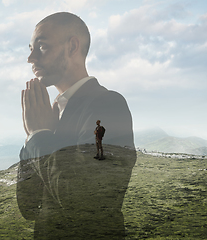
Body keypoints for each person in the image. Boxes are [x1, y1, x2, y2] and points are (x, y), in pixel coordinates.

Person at [16, 12, 136, 239]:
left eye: (41, 47)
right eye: (30, 49)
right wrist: (35, 137)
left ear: (72, 46)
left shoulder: (108, 104)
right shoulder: (53, 116)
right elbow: (29, 207)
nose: (30, 58)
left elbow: (86, 202)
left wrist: (39, 136)